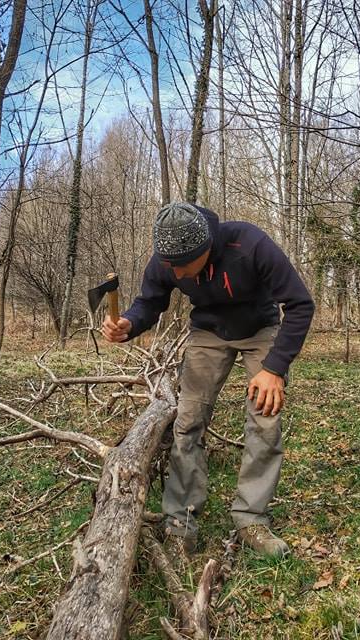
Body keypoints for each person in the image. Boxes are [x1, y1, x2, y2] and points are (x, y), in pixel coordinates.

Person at [102, 202, 314, 558]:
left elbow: (300, 305)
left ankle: (251, 520)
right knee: (188, 422)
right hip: (207, 331)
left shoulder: (249, 244)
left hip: (260, 329)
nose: (177, 272)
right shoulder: (167, 259)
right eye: (171, 265)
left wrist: (274, 367)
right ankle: (180, 523)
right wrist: (130, 323)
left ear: (206, 249)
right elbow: (149, 301)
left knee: (265, 420)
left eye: (184, 264)